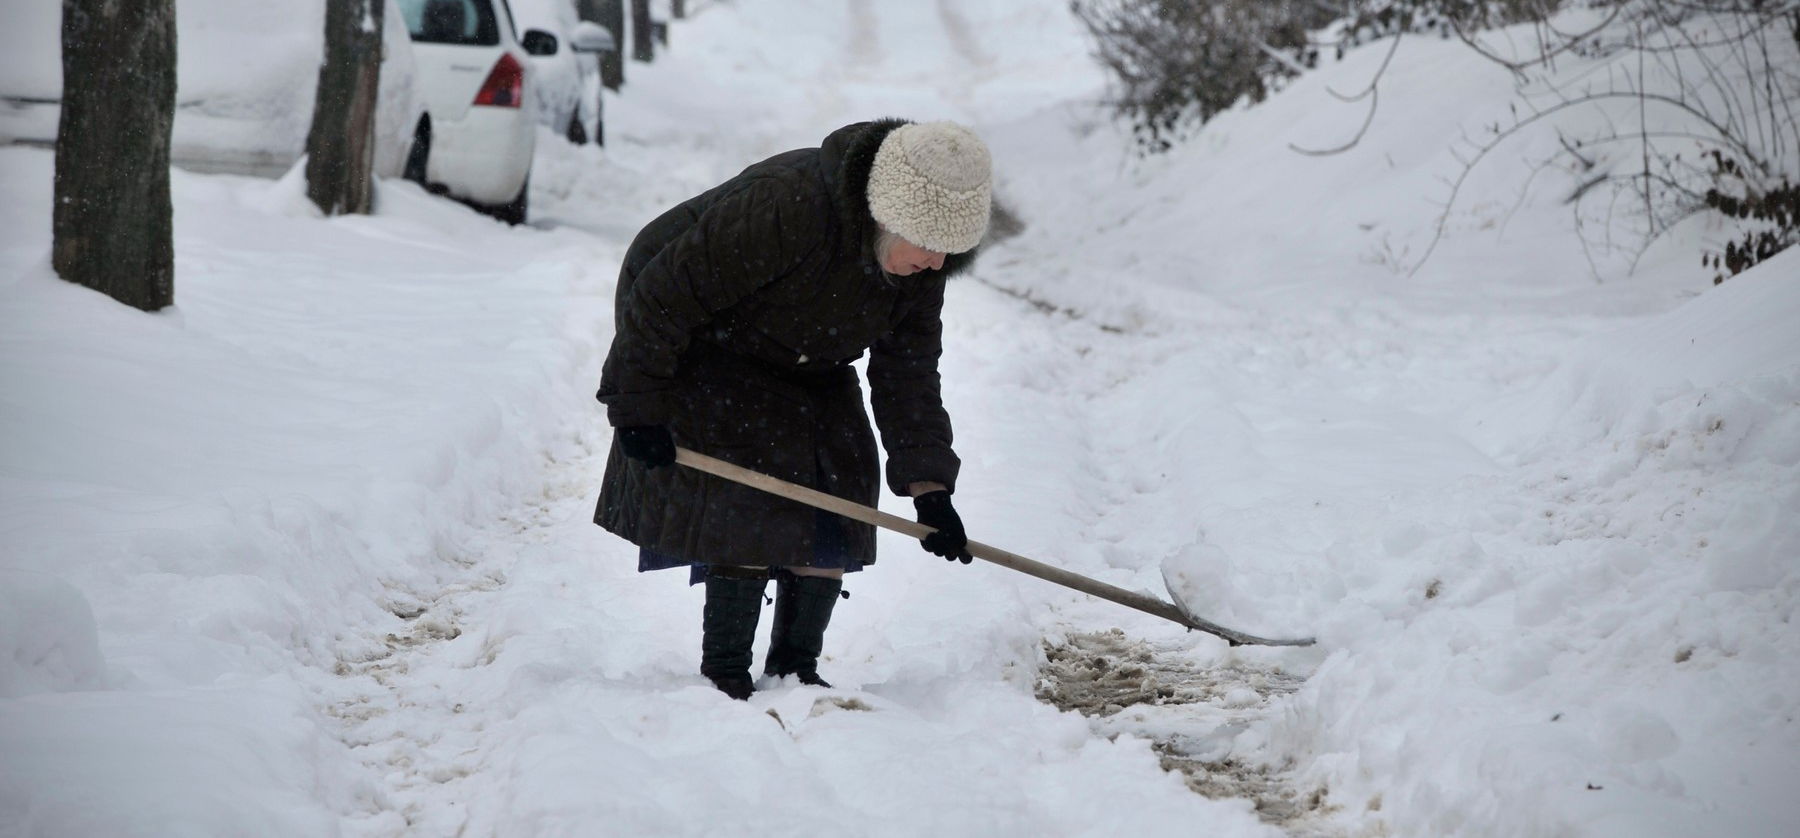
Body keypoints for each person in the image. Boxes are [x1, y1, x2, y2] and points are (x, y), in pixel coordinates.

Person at [594, 118, 991, 700]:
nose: (936, 264)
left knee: (839, 485)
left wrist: (930, 488)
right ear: (888, 217)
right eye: (930, 246)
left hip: (810, 355)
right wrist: (637, 405)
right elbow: (666, 295)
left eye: (951, 253)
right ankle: (725, 672)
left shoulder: (920, 271)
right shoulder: (789, 206)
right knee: (748, 498)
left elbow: (907, 372)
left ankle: (795, 670)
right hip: (710, 341)